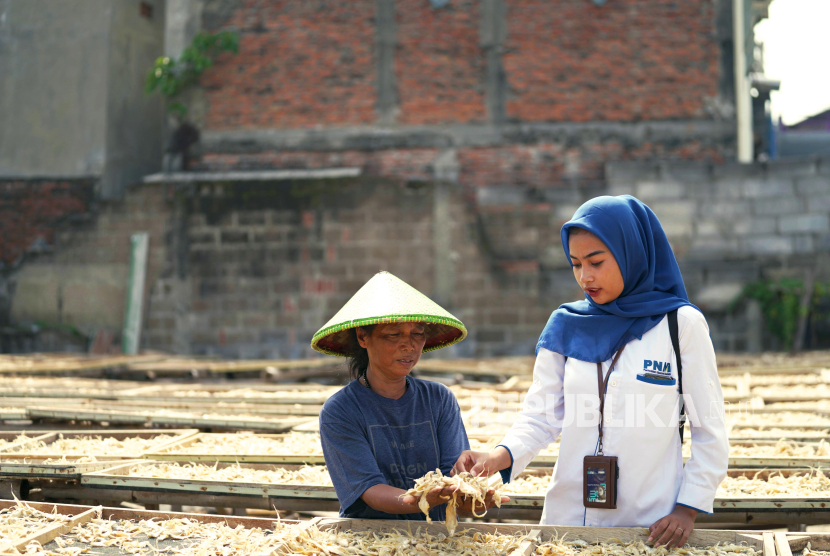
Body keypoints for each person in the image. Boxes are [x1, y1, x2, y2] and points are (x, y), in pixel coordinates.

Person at [453, 196, 729, 548]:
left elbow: (710, 430)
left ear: (632, 254)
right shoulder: (566, 325)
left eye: (596, 262)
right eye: (576, 264)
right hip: (567, 525)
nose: (585, 276)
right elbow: (541, 417)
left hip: (649, 525)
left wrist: (687, 508)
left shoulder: (680, 325)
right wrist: (498, 456)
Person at [312, 271, 507, 520]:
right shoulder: (341, 410)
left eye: (417, 333)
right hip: (372, 538)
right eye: (394, 334)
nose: (409, 345)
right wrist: (421, 499)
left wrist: (475, 498)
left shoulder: (438, 399)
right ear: (363, 337)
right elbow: (370, 490)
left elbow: (456, 480)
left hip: (438, 537)